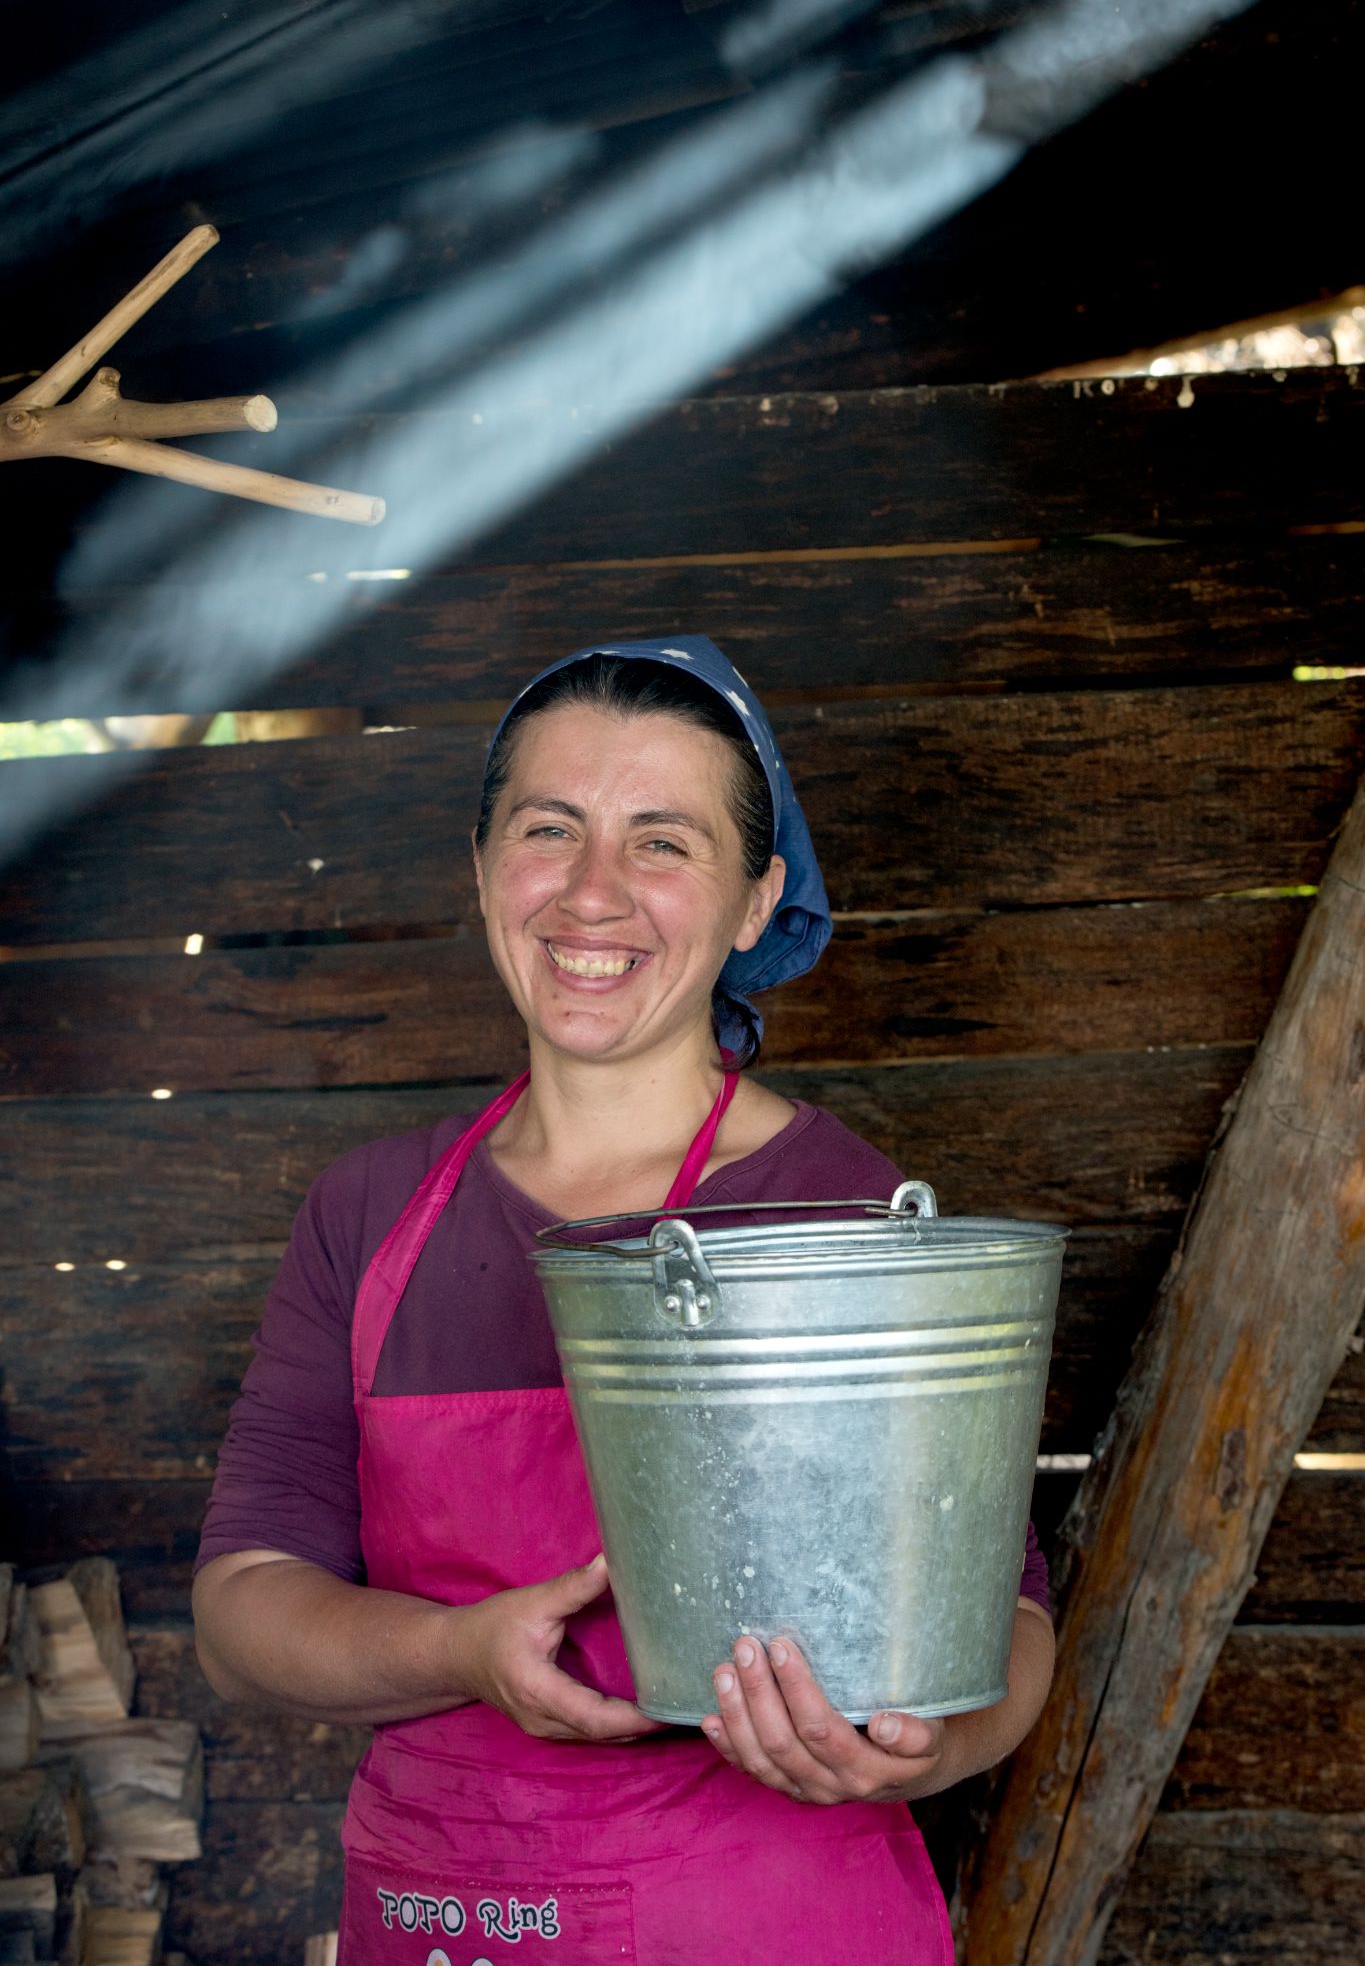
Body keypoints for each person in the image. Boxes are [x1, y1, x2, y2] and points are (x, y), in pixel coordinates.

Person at [194, 635, 1055, 1966]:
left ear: (755, 901)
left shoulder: (840, 1212)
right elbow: (243, 1614)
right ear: (483, 867)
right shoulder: (367, 1214)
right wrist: (462, 1652)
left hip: (769, 1924)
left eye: (662, 842)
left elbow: (1010, 1621)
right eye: (550, 830)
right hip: (445, 1920)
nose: (592, 894)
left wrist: (926, 1750)